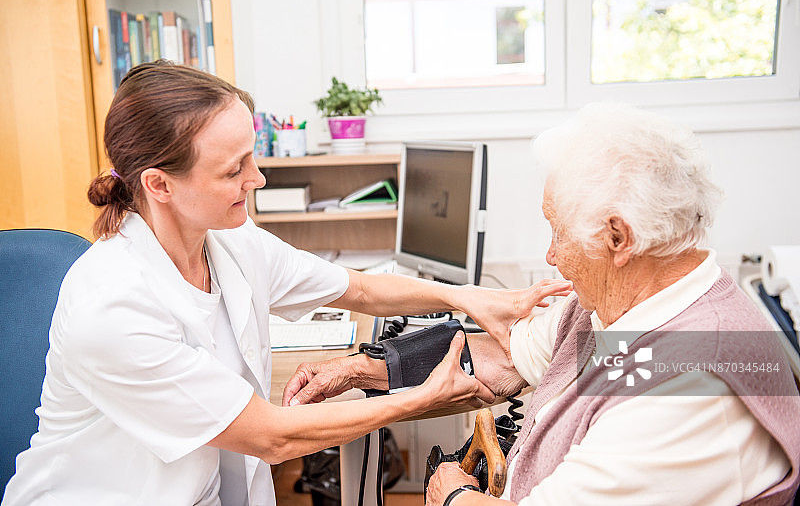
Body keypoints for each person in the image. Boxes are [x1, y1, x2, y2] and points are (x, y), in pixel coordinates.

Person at [1, 60, 573, 506]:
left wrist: (463, 297)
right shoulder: (113, 306)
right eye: (234, 169)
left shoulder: (650, 347)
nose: (258, 178)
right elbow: (273, 436)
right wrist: (415, 396)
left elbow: (357, 289)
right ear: (159, 184)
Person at [285, 103, 800, 505]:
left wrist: (451, 495)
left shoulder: (695, 387)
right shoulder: (622, 304)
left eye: (558, 233)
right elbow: (503, 359)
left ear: (619, 238)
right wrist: (354, 371)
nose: (550, 256)